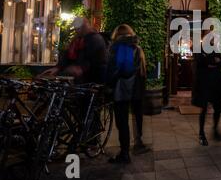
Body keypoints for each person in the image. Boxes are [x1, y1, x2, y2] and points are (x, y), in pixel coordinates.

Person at [107, 24, 150, 164]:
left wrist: (109, 85)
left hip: (121, 89)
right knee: (137, 117)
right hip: (136, 89)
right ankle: (138, 142)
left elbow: (112, 69)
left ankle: (124, 153)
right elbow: (142, 71)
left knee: (122, 121)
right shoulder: (137, 48)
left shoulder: (115, 47)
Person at [40, 17, 107, 84]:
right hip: (79, 79)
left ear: (86, 26)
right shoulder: (77, 39)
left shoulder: (96, 39)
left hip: (92, 80)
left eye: (78, 28)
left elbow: (93, 59)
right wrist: (58, 67)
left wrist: (81, 68)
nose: (76, 30)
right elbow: (67, 55)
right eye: (75, 28)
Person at [192, 32, 221, 146]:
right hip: (204, 85)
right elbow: (202, 62)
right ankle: (201, 134)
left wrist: (214, 63)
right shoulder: (200, 50)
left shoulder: (215, 49)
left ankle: (215, 130)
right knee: (204, 109)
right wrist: (214, 62)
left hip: (216, 84)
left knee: (218, 108)